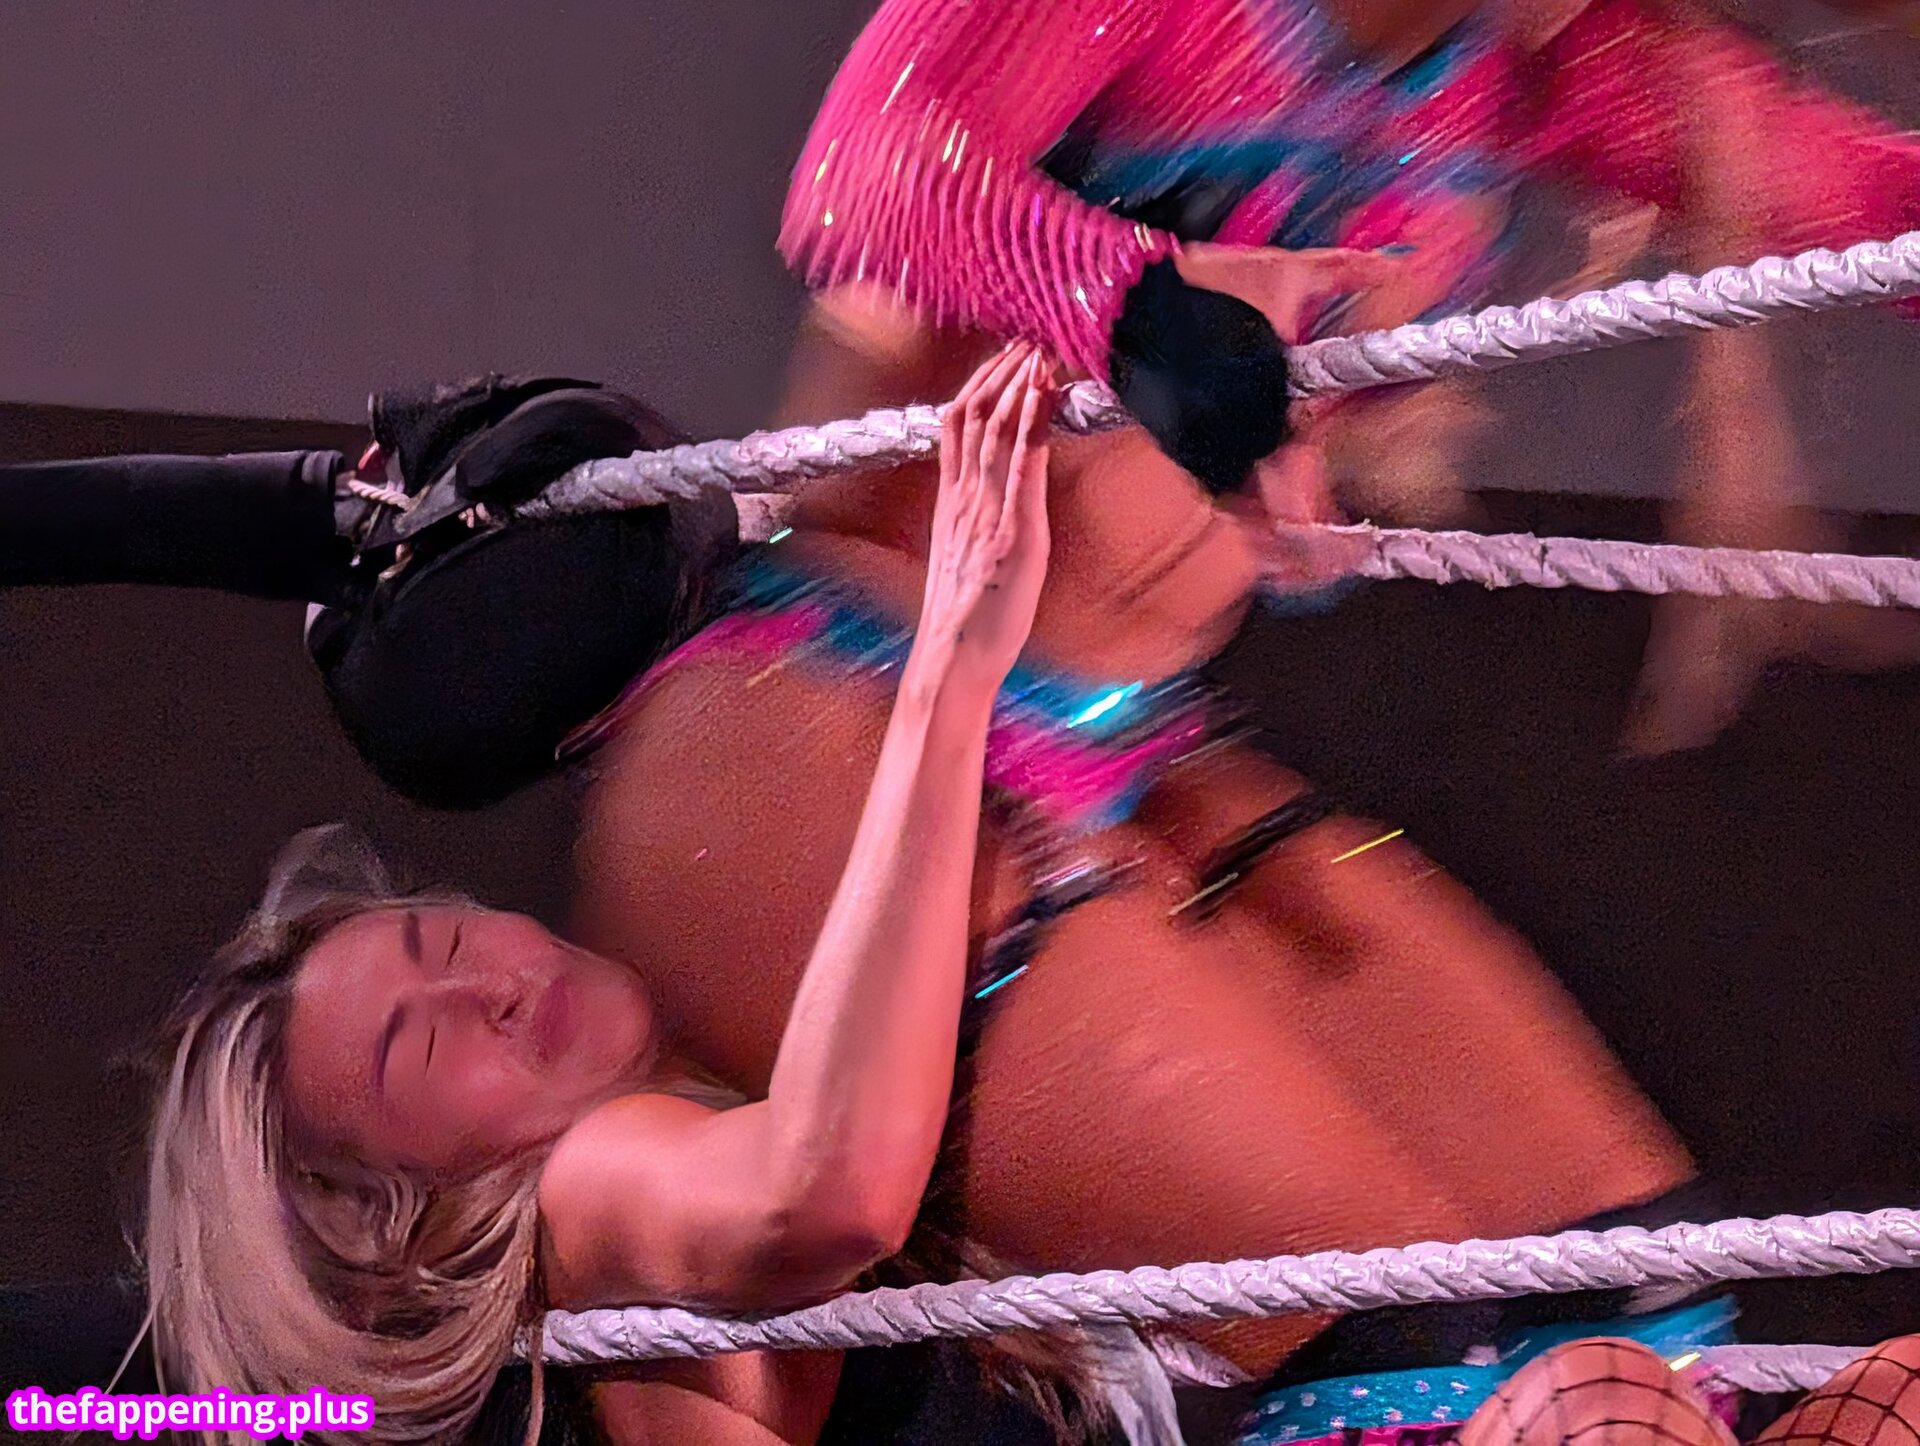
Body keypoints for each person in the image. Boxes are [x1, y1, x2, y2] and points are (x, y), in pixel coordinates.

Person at [141, 350, 1130, 1445]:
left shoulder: (707, 1042)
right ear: (400, 1215)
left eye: (450, 940)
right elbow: (826, 1189)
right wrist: (953, 659)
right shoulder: (581, 1196)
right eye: (421, 1047)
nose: (489, 990)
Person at [773, 0, 1920, 754]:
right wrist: (1144, 308)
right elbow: (865, 169)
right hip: (847, 661)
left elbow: (1881, 210)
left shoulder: (1545, 66)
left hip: (1125, 733)